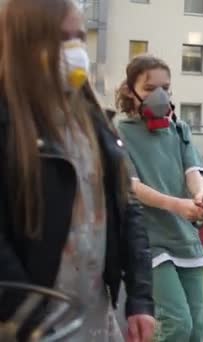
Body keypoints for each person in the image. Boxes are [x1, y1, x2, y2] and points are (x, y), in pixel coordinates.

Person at [0, 0, 156, 341]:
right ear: (24, 42)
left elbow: (126, 209)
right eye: (59, 38)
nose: (73, 51)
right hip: (32, 330)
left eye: (79, 37)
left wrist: (141, 299)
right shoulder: (8, 122)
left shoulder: (93, 120)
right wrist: (29, 320)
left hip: (95, 323)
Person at [115, 55, 203, 342]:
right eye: (149, 88)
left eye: (165, 88)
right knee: (178, 324)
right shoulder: (120, 133)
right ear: (128, 91)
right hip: (150, 241)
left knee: (197, 329)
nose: (159, 95)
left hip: (185, 238)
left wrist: (200, 195)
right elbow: (132, 186)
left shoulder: (179, 130)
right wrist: (177, 205)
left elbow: (192, 171)